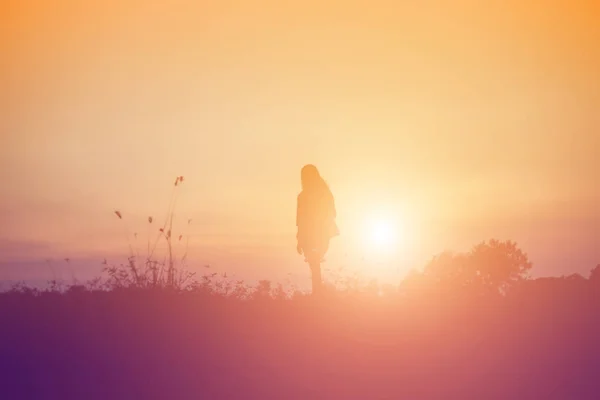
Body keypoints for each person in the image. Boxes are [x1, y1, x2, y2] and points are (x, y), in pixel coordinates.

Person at [296, 164, 339, 294]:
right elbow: (300, 220)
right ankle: (318, 292)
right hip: (315, 235)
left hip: (317, 234)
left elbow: (331, 213)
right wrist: (300, 239)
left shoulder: (307, 195)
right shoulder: (309, 195)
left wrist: (301, 239)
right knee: (315, 264)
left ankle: (318, 293)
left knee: (314, 264)